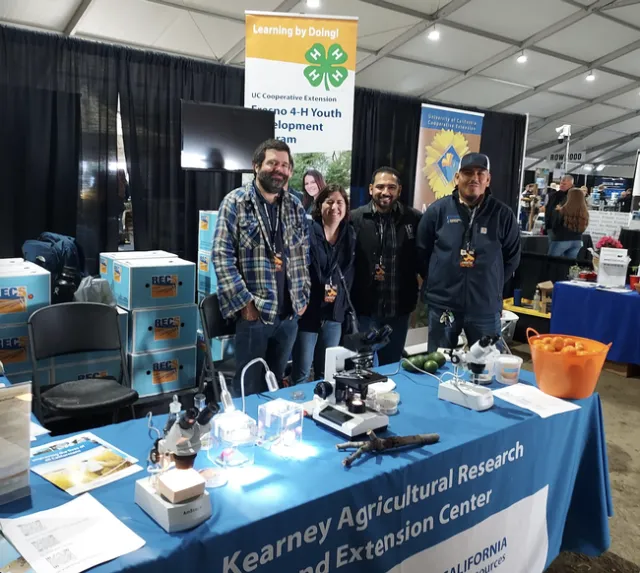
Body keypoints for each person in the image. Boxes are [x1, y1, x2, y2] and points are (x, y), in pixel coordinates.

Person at [213, 139, 310, 396]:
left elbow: (304, 254)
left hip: (289, 315)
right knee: (247, 386)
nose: (279, 169)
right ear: (256, 166)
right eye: (272, 163)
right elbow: (221, 257)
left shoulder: (295, 206)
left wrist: (303, 296)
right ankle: (243, 434)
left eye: (285, 165)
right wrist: (245, 304)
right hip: (255, 313)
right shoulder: (234, 202)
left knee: (275, 384)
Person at [417, 153, 521, 352]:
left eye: (480, 173)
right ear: (457, 178)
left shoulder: (503, 215)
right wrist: (438, 280)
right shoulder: (437, 211)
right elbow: (422, 252)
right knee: (439, 361)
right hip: (444, 305)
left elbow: (512, 258)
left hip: (484, 306)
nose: (474, 178)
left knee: (486, 365)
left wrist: (491, 283)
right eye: (467, 173)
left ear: (488, 179)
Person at [351, 167, 422, 365]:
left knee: (391, 366)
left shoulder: (414, 219)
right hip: (365, 310)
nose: (385, 192)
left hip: (398, 310)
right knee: (361, 366)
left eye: (391, 187)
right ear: (371, 189)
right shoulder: (354, 219)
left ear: (399, 190)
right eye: (380, 186)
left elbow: (422, 259)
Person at [291, 184, 356, 384]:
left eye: (339, 202)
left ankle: (322, 410)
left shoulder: (350, 235)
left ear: (345, 207)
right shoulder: (308, 231)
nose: (334, 207)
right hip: (308, 312)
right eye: (329, 202)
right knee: (301, 372)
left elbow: (351, 272)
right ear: (320, 206)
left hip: (335, 314)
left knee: (327, 374)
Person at [548, 187, 589, 258]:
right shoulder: (584, 213)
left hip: (561, 240)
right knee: (569, 266)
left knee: (551, 264)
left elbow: (554, 226)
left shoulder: (561, 211)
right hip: (577, 241)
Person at [546, 174, 573, 246]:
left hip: (565, 231)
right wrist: (547, 225)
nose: (561, 185)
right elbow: (548, 210)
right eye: (561, 183)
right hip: (551, 228)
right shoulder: (553, 195)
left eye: (564, 184)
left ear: (571, 184)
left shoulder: (573, 197)